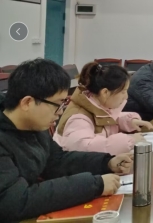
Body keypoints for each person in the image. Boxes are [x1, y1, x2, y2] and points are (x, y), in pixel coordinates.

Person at [0, 59, 133, 222]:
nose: (60, 113)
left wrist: (106, 163)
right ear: (27, 102)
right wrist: (94, 185)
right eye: (57, 104)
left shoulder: (34, 126)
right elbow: (16, 201)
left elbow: (57, 161)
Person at [54, 62, 153, 155]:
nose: (126, 97)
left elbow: (107, 119)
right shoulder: (78, 118)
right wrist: (129, 140)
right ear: (105, 92)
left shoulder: (96, 103)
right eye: (123, 92)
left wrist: (129, 121)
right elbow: (85, 149)